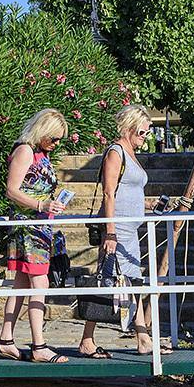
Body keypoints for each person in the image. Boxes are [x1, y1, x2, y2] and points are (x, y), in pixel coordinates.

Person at [78, 105, 159, 360]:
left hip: (130, 230)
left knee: (129, 282)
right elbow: (109, 192)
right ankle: (90, 340)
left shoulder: (130, 153)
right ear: (130, 127)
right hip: (119, 229)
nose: (145, 137)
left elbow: (127, 192)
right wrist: (110, 231)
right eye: (143, 132)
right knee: (112, 282)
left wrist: (148, 204)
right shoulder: (116, 152)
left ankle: (139, 336)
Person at [0, 108, 67, 362]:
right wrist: (40, 205)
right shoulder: (25, 151)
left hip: (39, 226)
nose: (56, 144)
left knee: (23, 284)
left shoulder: (40, 153)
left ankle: (6, 339)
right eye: (54, 138)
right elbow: (11, 190)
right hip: (29, 227)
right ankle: (39, 345)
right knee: (40, 282)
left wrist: (51, 203)